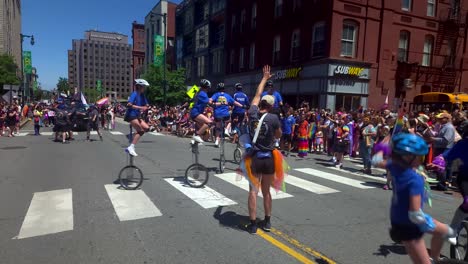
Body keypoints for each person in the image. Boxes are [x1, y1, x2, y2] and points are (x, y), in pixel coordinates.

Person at [374, 133, 455, 263]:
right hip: (409, 227)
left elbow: (376, 161)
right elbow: (415, 214)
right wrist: (429, 225)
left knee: (444, 231)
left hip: (397, 218)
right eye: (419, 156)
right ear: (408, 157)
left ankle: (435, 258)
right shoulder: (414, 179)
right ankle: (433, 259)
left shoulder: (395, 166)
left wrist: (382, 147)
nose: (421, 160)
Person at [244, 65, 283, 234]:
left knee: (253, 191)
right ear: (272, 106)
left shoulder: (252, 112)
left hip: (254, 157)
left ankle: (253, 224)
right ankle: (267, 221)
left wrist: (264, 78)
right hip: (268, 158)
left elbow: (257, 94)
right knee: (266, 192)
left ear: (260, 103)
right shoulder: (274, 118)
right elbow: (279, 135)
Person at [211, 83, 244, 147]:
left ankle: (217, 141)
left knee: (218, 127)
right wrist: (242, 106)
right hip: (225, 114)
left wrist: (214, 104)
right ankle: (226, 129)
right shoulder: (227, 95)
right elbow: (235, 102)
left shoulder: (215, 95)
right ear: (224, 89)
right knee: (229, 121)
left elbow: (210, 101)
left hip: (217, 114)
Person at [125, 79, 150, 157]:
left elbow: (146, 105)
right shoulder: (134, 94)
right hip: (131, 115)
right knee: (141, 131)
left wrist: (147, 106)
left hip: (137, 116)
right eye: (144, 87)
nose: (144, 88)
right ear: (139, 86)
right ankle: (131, 147)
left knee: (147, 128)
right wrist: (140, 107)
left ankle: (131, 135)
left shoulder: (142, 95)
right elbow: (129, 104)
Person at [190, 79, 213, 143]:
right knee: (209, 123)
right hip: (196, 113)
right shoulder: (203, 93)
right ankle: (197, 135)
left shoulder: (200, 92)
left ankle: (195, 139)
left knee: (204, 128)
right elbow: (209, 102)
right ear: (207, 87)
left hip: (196, 112)